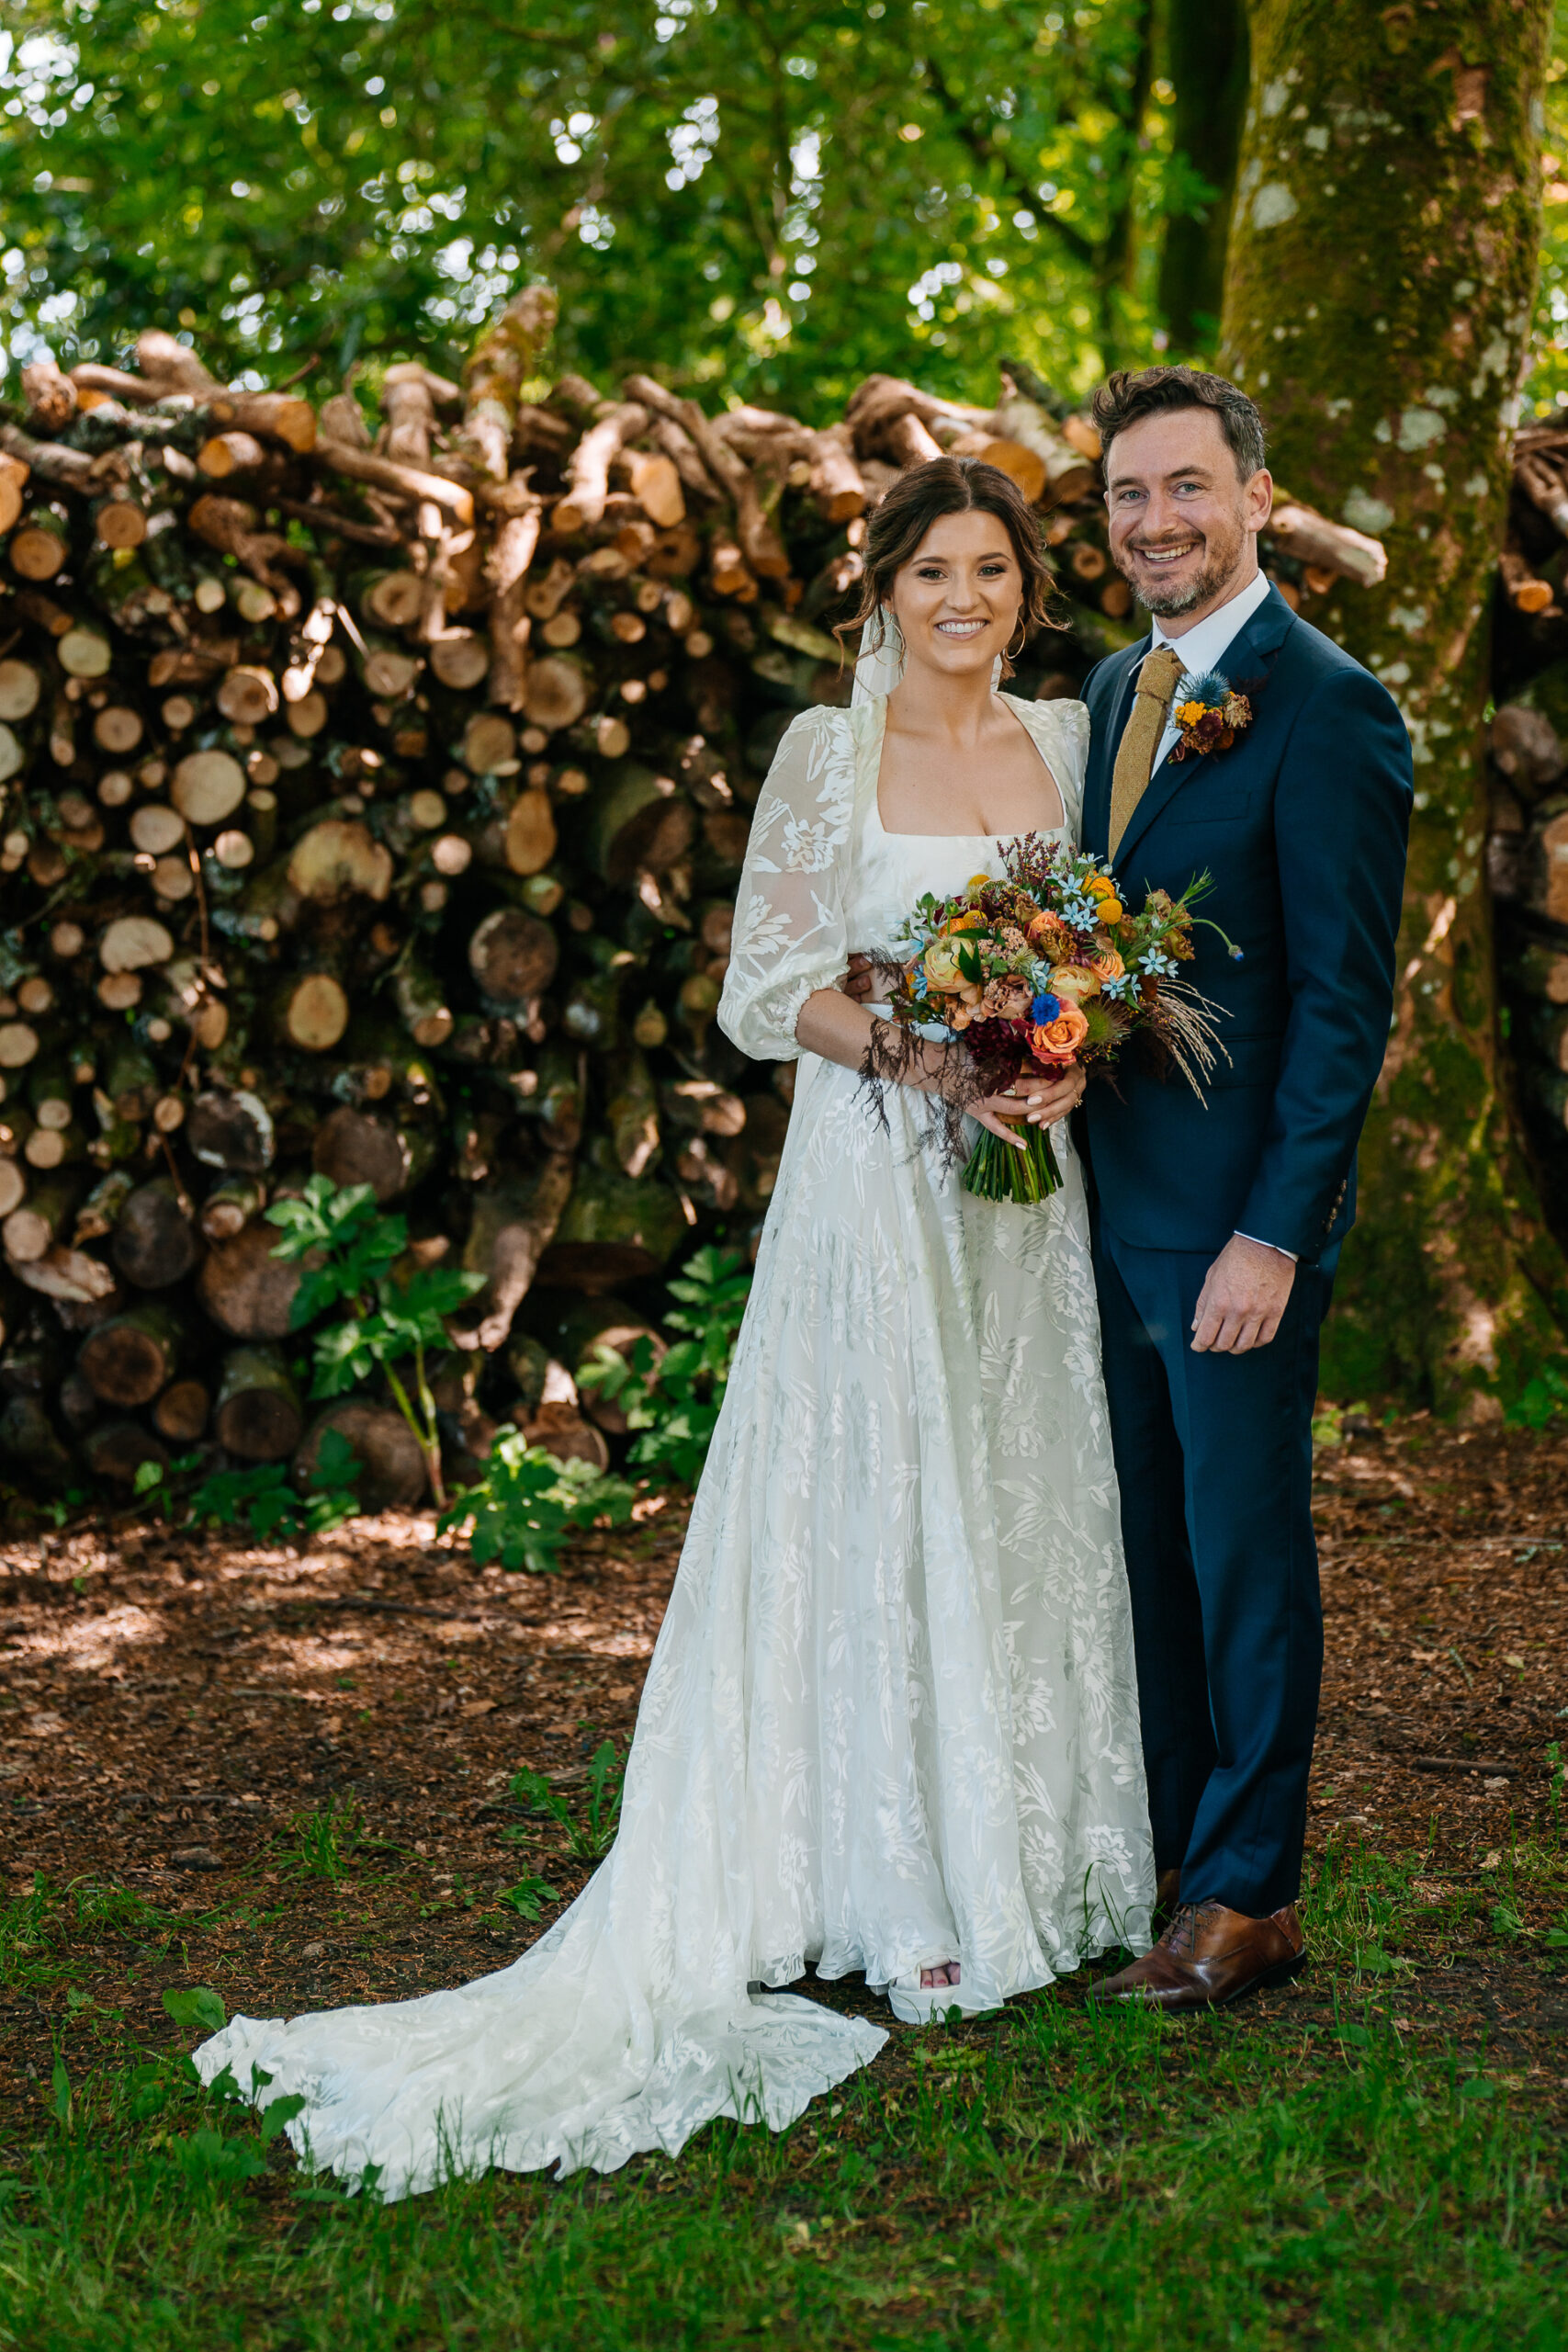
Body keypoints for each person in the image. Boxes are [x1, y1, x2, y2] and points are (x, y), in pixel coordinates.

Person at [192, 457, 1154, 2199]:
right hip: (876, 1185)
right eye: (936, 568)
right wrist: (943, 1059)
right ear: (883, 586)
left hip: (1023, 1201)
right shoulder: (823, 752)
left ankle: (1038, 1850)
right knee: (872, 1501)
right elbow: (762, 987)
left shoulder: (1074, 742)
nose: (968, 597)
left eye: (996, 569)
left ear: (1029, 589)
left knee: (1017, 1489)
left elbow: (1097, 942)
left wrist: (1055, 1047)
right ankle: (891, 1888)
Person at [1052, 367, 1412, 2009]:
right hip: (1100, 1208)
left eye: (1186, 487)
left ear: (1259, 498)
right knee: (1149, 1550)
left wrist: (1277, 1231)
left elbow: (1344, 1006)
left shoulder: (1327, 703)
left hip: (1234, 1234)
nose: (1154, 521)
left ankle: (1254, 1895)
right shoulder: (1116, 687)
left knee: (1245, 1552)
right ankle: (1184, 1856)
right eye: (1128, 495)